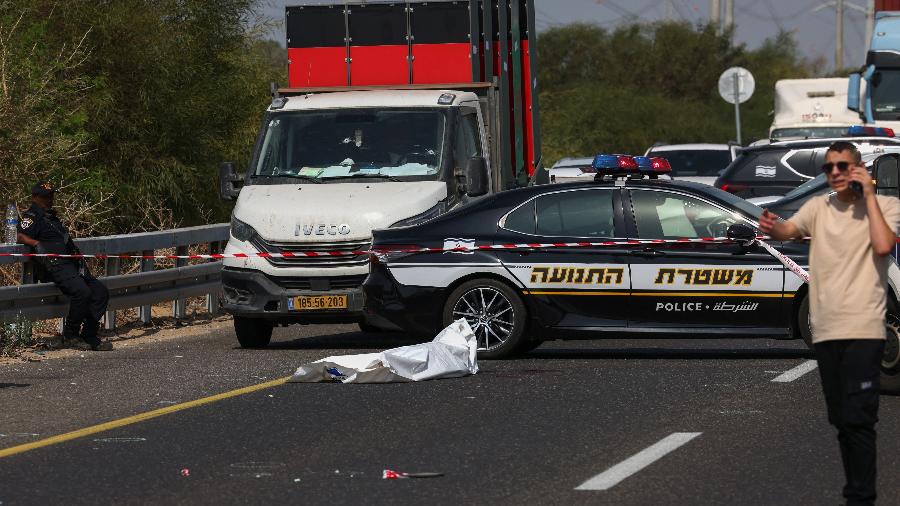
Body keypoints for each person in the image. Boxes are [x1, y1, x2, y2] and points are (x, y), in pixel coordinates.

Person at [759, 141, 900, 505]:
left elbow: (884, 245)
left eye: (843, 166)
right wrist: (773, 228)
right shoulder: (818, 207)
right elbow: (790, 231)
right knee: (840, 416)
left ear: (858, 170)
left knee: (860, 416)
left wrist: (869, 193)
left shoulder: (887, 206)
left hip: (865, 327)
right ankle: (856, 487)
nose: (835, 173)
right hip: (826, 328)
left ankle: (861, 496)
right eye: (829, 168)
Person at [16, 181, 113, 351]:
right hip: (55, 265)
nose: (50, 199)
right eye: (46, 197)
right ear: (35, 197)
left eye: (52, 196)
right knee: (82, 292)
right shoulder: (31, 217)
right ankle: (71, 336)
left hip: (72, 264)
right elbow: (19, 236)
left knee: (100, 292)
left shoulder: (52, 217)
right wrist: (36, 243)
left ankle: (89, 334)